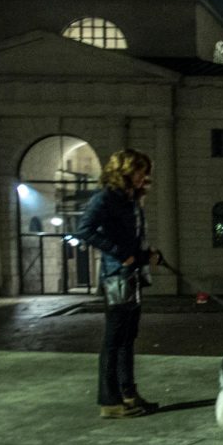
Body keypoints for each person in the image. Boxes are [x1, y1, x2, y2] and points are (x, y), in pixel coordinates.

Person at [75, 149, 163, 419]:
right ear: (125, 170)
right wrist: (120, 253)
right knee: (113, 341)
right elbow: (84, 230)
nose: (143, 177)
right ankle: (109, 401)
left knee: (127, 339)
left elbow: (133, 236)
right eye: (140, 171)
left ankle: (128, 394)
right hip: (117, 277)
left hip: (133, 275)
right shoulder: (105, 198)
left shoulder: (131, 199)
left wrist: (146, 254)